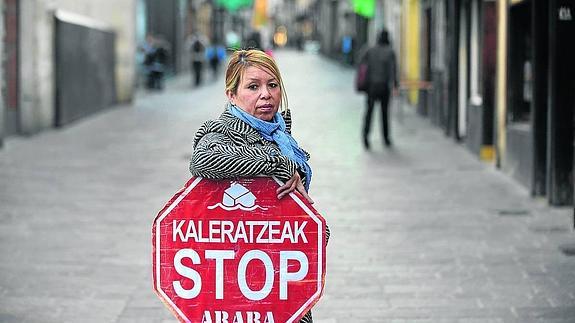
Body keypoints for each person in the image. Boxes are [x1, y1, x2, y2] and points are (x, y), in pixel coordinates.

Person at [189, 49, 328, 323]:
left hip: (284, 276)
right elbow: (203, 158)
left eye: (272, 85)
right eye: (253, 86)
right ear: (232, 95)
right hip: (244, 287)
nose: (266, 94)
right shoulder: (222, 130)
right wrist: (274, 163)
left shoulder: (280, 133)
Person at [359, 29, 399, 149]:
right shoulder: (390, 52)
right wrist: (395, 86)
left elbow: (361, 63)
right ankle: (386, 138)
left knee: (369, 113)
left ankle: (365, 137)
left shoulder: (370, 50)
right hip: (384, 87)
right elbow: (393, 71)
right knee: (384, 113)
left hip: (371, 87)